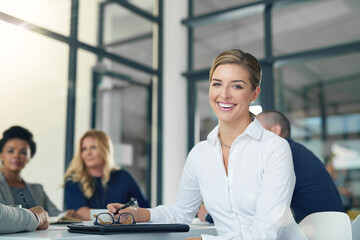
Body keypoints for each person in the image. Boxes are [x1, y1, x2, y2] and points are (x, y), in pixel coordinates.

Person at [107, 49, 306, 240]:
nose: (224, 94)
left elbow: (265, 235)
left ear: (254, 93)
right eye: (217, 84)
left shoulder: (274, 149)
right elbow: (181, 213)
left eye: (237, 86)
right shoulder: (200, 154)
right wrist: (139, 214)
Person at [199, 110, 345, 224]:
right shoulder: (297, 151)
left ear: (276, 130)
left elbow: (251, 208)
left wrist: (210, 214)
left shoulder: (284, 154)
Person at [64, 129, 150, 220]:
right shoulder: (73, 180)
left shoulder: (123, 177)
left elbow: (146, 209)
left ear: (105, 149)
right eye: (84, 149)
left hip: (120, 233)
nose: (88, 153)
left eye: (93, 147)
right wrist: (120, 215)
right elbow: (80, 213)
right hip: (86, 233)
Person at [0, 126, 61, 217]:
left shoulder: (38, 189)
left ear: (29, 157)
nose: (16, 156)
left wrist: (68, 215)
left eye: (23, 152)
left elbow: (56, 214)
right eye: (10, 151)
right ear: (1, 155)